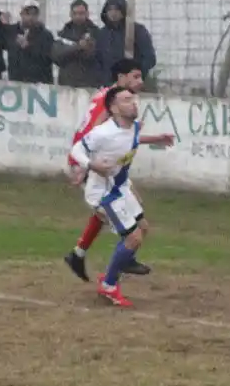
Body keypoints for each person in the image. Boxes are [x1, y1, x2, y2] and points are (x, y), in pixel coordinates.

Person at [68, 86, 175, 307]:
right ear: (114, 108)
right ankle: (108, 285)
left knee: (142, 228)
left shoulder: (132, 127)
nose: (133, 102)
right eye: (126, 100)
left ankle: (116, 269)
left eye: (133, 98)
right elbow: (76, 150)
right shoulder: (102, 132)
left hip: (120, 187)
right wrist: (90, 165)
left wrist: (158, 138)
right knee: (133, 237)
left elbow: (132, 138)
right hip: (103, 194)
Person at [63, 58, 152, 283]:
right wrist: (85, 167)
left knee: (111, 208)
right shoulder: (114, 101)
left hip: (98, 159)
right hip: (91, 159)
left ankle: (79, 254)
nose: (140, 82)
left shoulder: (111, 95)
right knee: (112, 206)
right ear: (121, 78)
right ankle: (116, 265)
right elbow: (96, 132)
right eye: (135, 76)